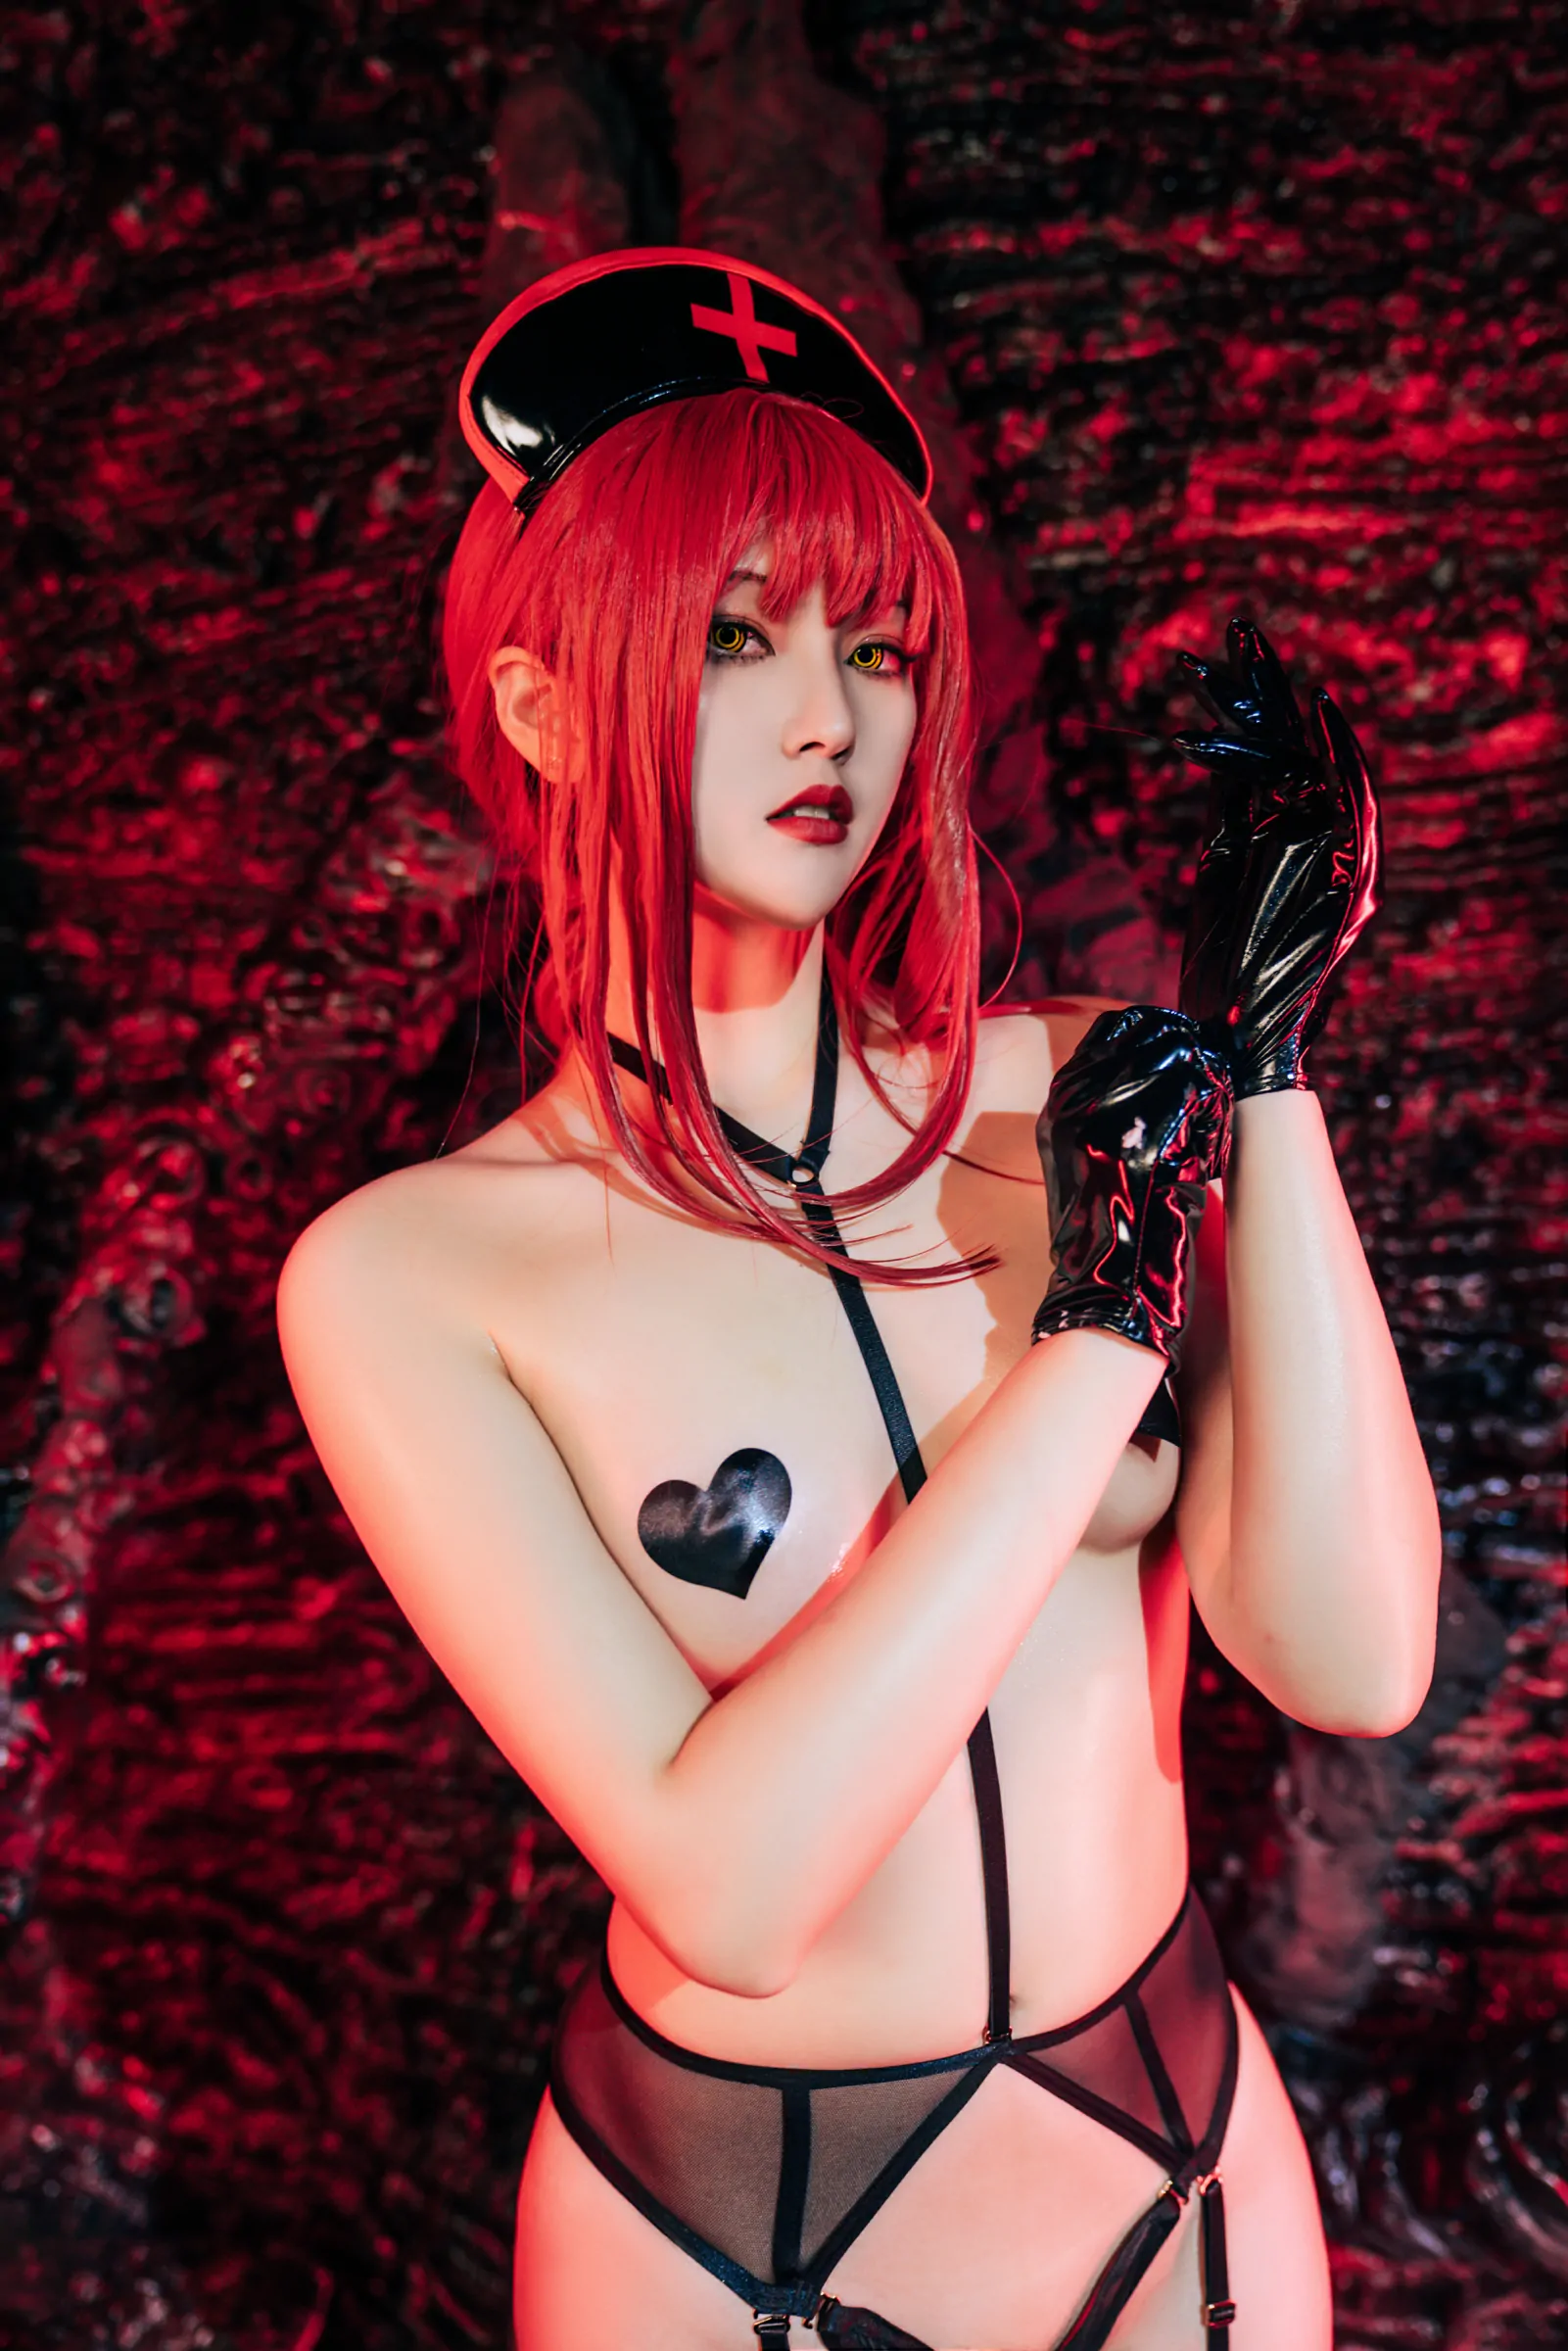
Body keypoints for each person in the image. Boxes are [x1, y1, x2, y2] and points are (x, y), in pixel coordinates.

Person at [275, 249, 1442, 2351]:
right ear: (542, 707)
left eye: (879, 644)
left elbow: (1348, 1661)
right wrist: (1097, 1339)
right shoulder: (412, 1276)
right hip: (727, 2228)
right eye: (734, 636)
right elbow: (734, 1891)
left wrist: (1267, 1074)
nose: (830, 716)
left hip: (1170, 2139)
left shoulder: (1082, 1086)